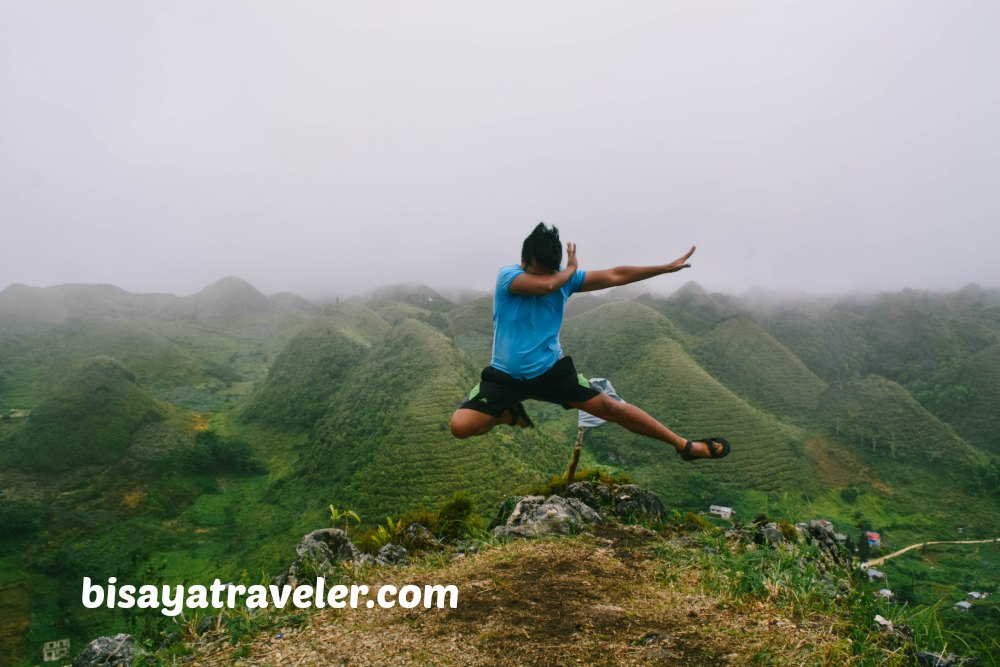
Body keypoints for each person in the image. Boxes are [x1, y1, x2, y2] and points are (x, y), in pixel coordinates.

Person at [449, 223, 731, 462]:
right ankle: (508, 414)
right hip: (505, 376)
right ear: (523, 262)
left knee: (611, 409)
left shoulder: (562, 278)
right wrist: (571, 268)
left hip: (550, 372)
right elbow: (548, 286)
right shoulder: (508, 277)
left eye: (551, 271)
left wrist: (664, 269)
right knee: (460, 427)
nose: (546, 278)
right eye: (537, 272)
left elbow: (615, 275)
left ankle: (685, 446)